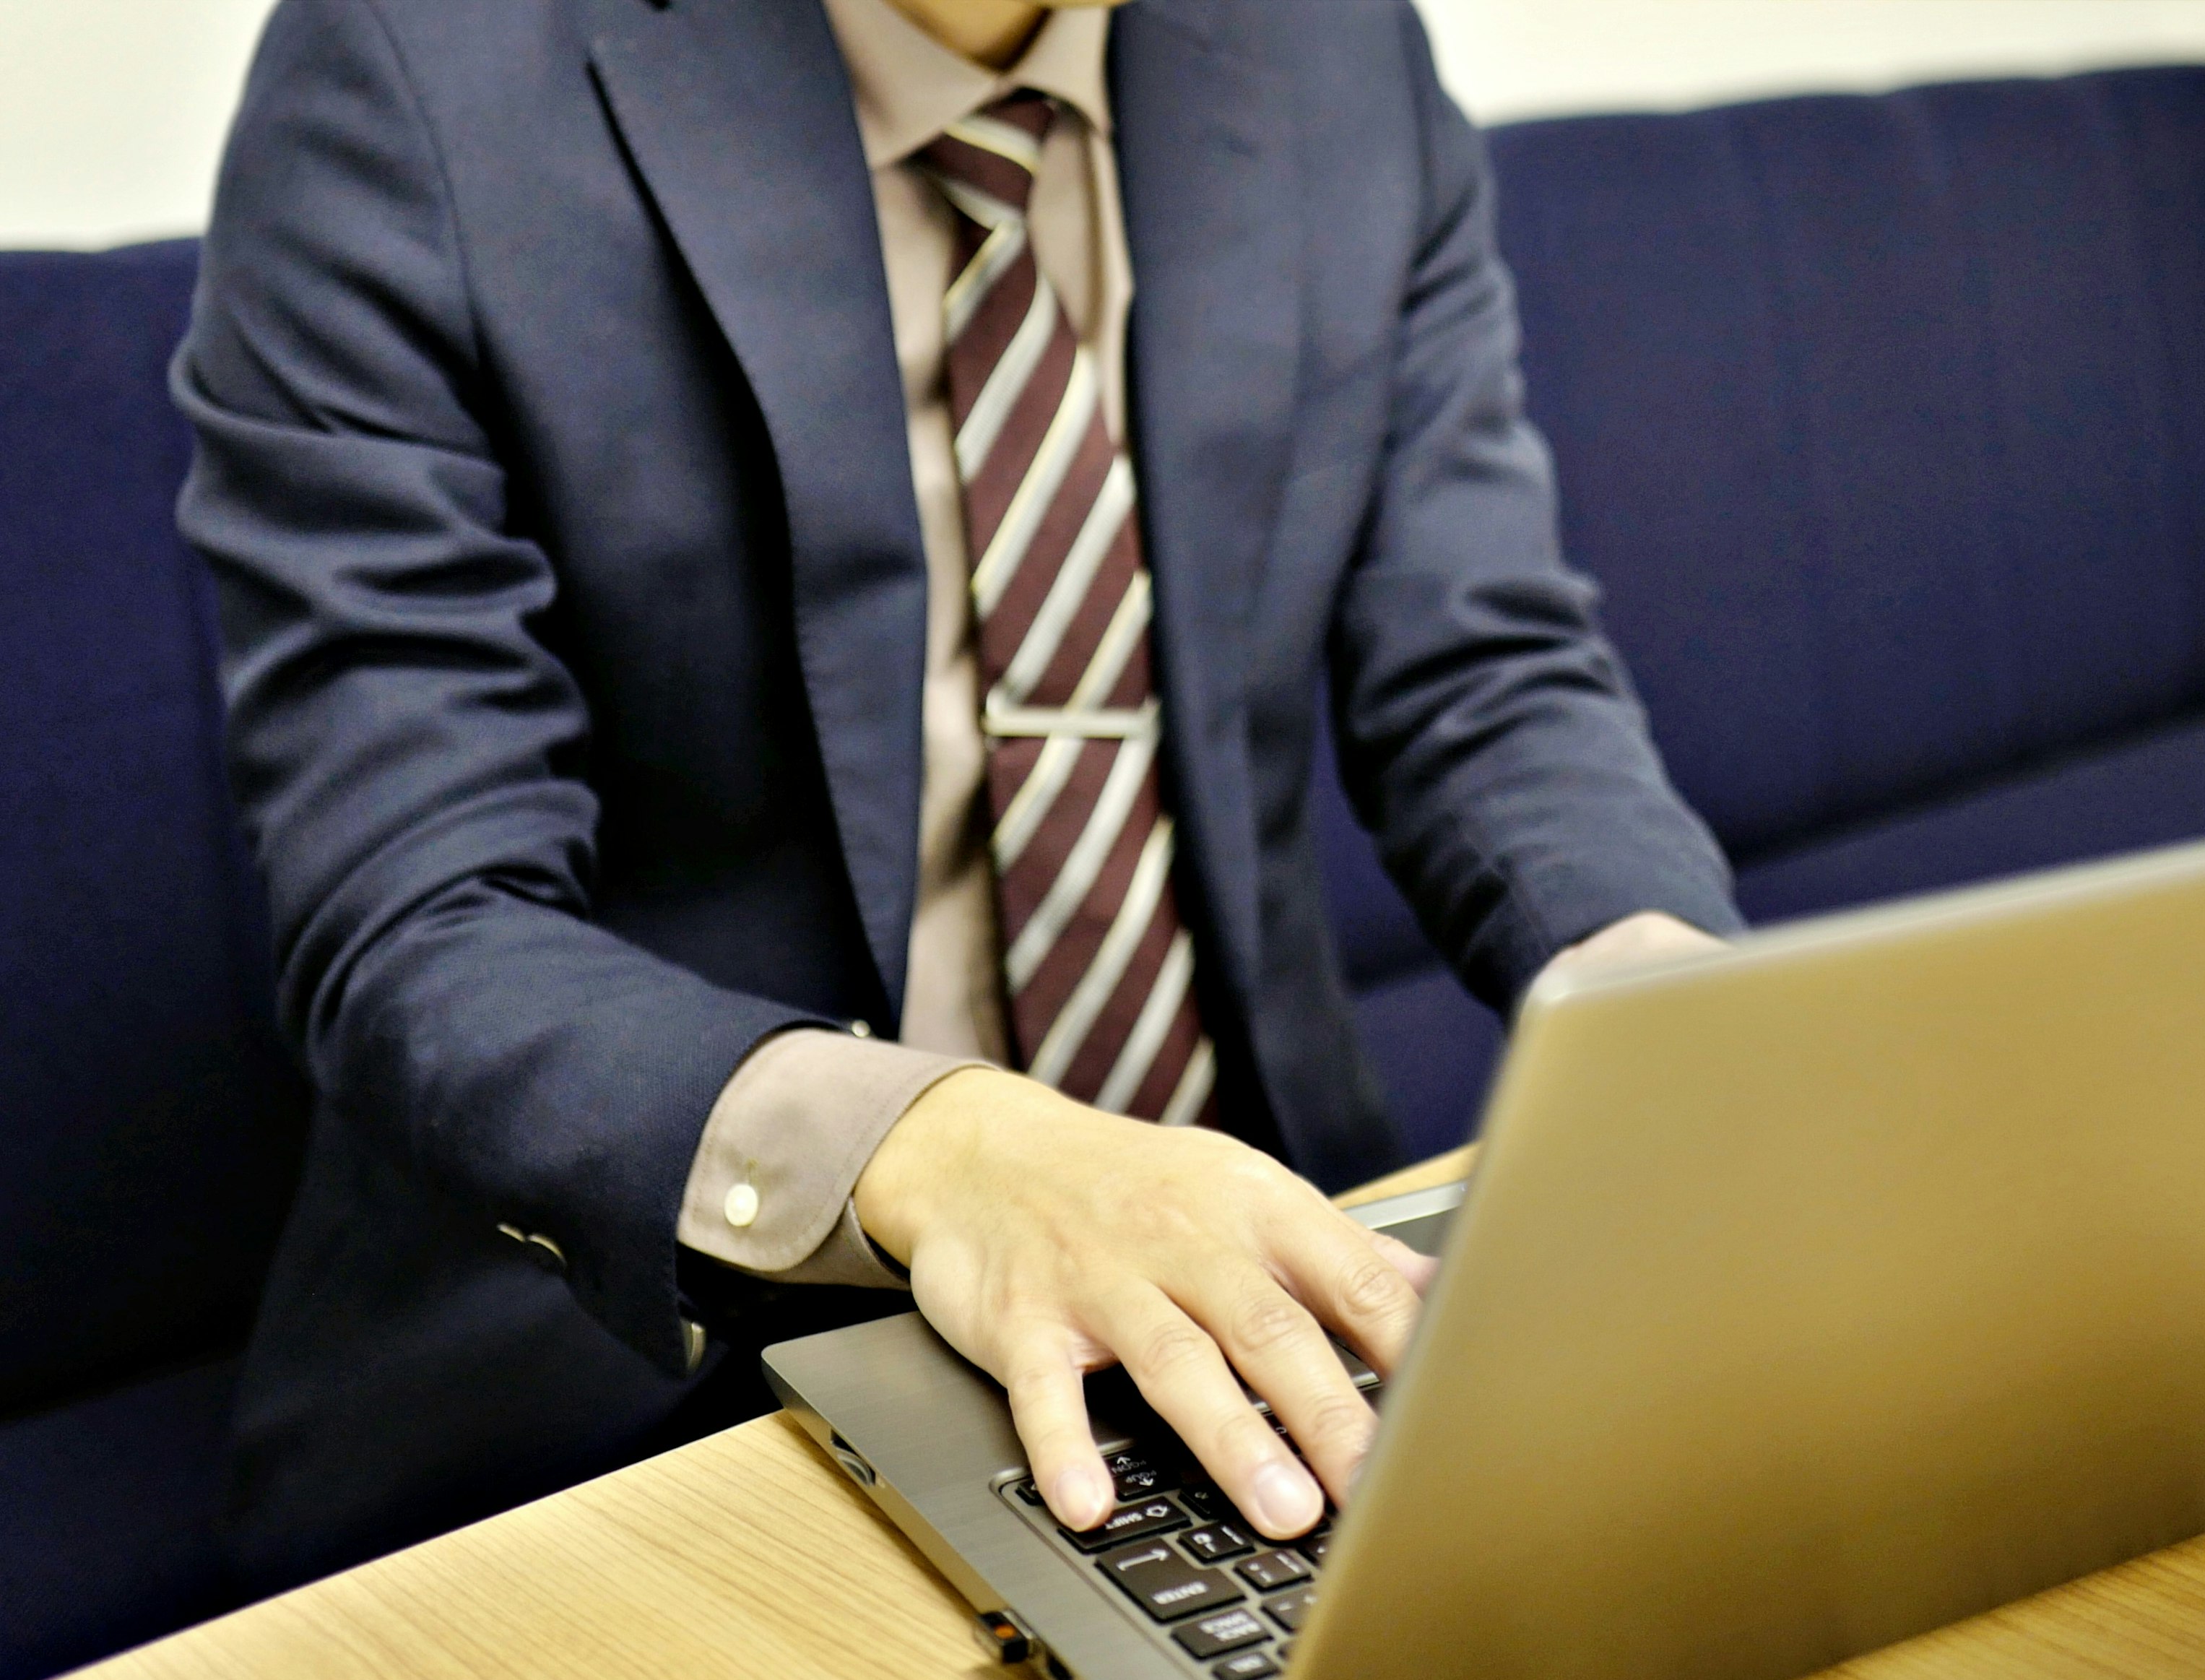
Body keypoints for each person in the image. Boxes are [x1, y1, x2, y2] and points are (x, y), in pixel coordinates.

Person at [176, 0, 1740, 1590]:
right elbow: (413, 919)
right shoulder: (413, 68)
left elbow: (1481, 668)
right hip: (652, 1388)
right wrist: (946, 1147)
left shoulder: (1334, 50)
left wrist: (1659, 986)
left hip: (1246, 1300)